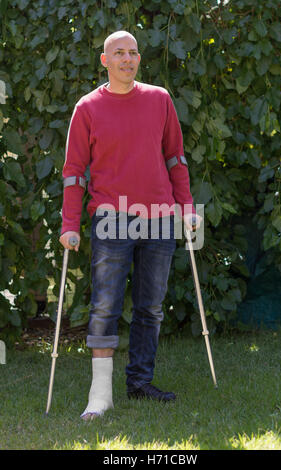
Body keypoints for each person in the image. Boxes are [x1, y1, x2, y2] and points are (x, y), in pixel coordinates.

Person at [59, 30, 200, 420]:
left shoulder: (160, 99)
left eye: (133, 52)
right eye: (118, 53)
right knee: (105, 306)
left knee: (151, 308)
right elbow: (74, 173)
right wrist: (70, 222)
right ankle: (100, 395)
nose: (127, 58)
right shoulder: (87, 107)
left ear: (139, 58)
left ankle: (139, 383)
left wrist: (186, 206)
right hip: (110, 217)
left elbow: (176, 158)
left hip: (159, 218)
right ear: (104, 61)